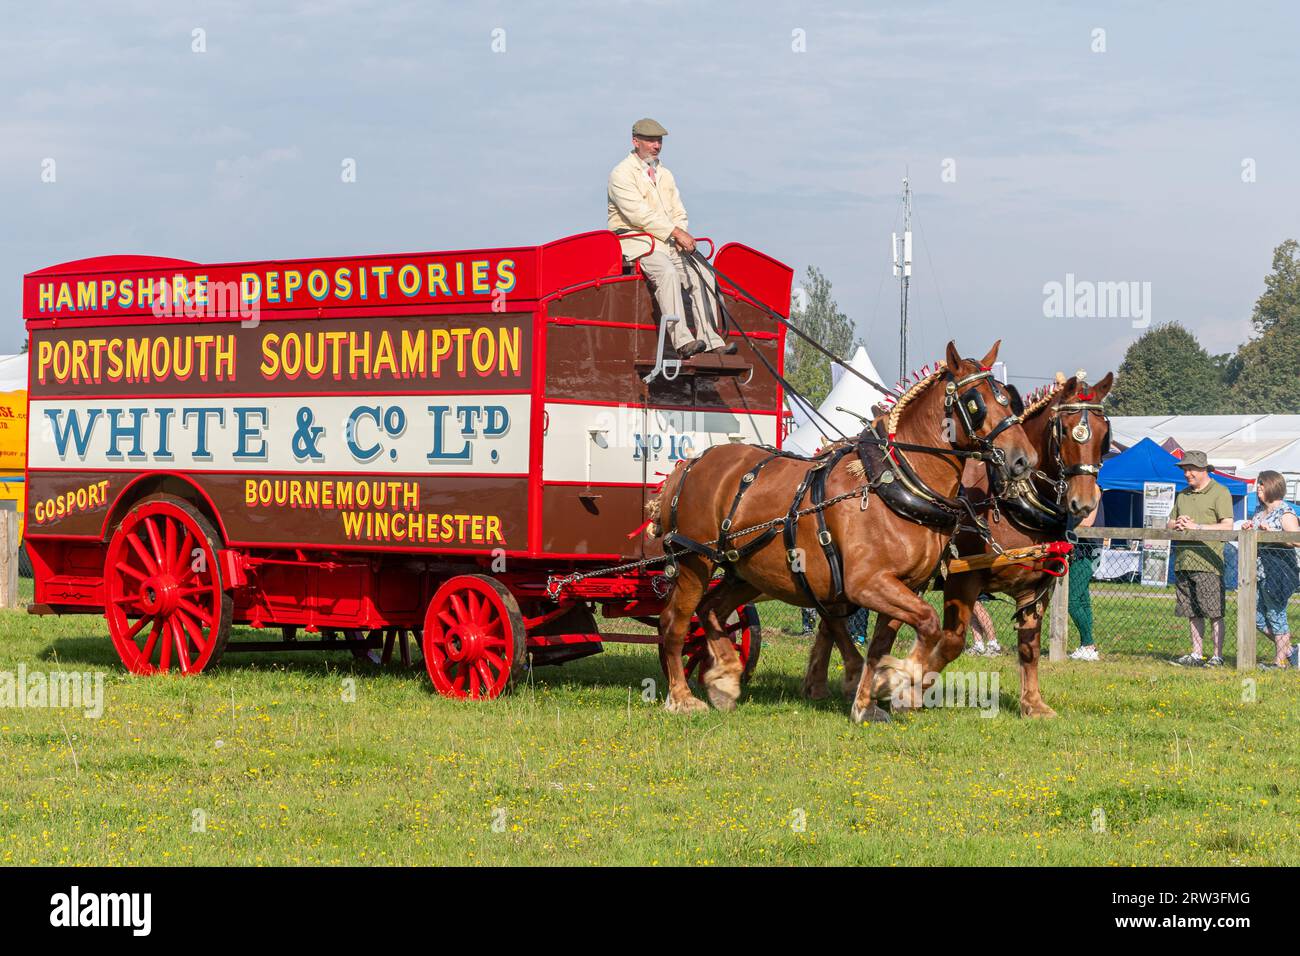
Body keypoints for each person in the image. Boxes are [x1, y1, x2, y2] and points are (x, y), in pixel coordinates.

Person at [607, 118, 731, 359]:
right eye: (651, 141)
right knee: (667, 272)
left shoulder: (665, 174)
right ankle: (682, 340)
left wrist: (680, 234)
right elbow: (639, 215)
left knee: (703, 272)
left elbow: (678, 211)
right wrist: (676, 233)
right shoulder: (621, 174)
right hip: (637, 242)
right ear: (635, 141)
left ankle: (711, 338)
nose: (657, 146)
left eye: (659, 141)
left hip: (668, 242)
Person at [1167, 451, 1234, 666]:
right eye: (1184, 470)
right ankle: (1196, 654)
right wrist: (1177, 523)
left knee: (1214, 612)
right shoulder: (1182, 495)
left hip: (1208, 563)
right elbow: (1168, 523)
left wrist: (1197, 527)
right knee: (1191, 611)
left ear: (1204, 470)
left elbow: (1227, 526)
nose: (1187, 474)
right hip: (1183, 561)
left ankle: (1217, 656)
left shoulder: (1220, 492)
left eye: (1191, 469)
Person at [1241, 470, 1299, 669]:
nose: (1258, 487)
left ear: (1273, 486)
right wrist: (1250, 529)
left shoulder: (1285, 512)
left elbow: (1296, 540)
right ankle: (1290, 650)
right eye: (1258, 483)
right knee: (1255, 616)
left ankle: (1280, 661)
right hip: (1258, 572)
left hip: (1278, 573)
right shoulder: (1258, 512)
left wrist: (1273, 533)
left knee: (1276, 615)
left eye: (1262, 484)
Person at [1068, 504, 1101, 660]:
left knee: (1071, 600)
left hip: (1086, 552)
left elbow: (1087, 522)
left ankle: (1088, 644)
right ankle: (1087, 648)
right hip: (1080, 551)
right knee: (1083, 600)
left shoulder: (1095, 491)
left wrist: (1064, 523)